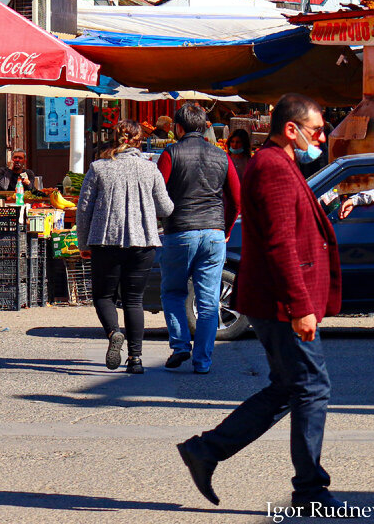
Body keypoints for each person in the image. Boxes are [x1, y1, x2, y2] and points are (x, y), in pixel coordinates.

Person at [176, 92, 348, 516]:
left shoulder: (280, 164)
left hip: (277, 300)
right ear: (291, 129)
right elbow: (279, 244)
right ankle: (310, 493)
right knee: (312, 388)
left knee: (291, 387)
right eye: (317, 130)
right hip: (279, 303)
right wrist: (300, 306)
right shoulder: (272, 166)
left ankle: (206, 450)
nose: (322, 138)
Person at [75, 120, 174, 375]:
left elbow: (83, 210)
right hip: (142, 242)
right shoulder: (150, 169)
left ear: (112, 139)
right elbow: (166, 208)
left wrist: (83, 242)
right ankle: (136, 359)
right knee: (134, 300)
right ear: (139, 141)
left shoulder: (98, 168)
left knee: (103, 296)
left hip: (105, 240)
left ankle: (113, 332)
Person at [157, 103, 241, 374]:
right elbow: (237, 200)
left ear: (178, 128)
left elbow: (158, 195)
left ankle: (181, 345)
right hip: (214, 233)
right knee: (208, 301)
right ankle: (203, 361)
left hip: (180, 231)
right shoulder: (222, 156)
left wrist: (164, 221)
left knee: (173, 293)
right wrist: (225, 229)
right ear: (206, 126)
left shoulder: (171, 153)